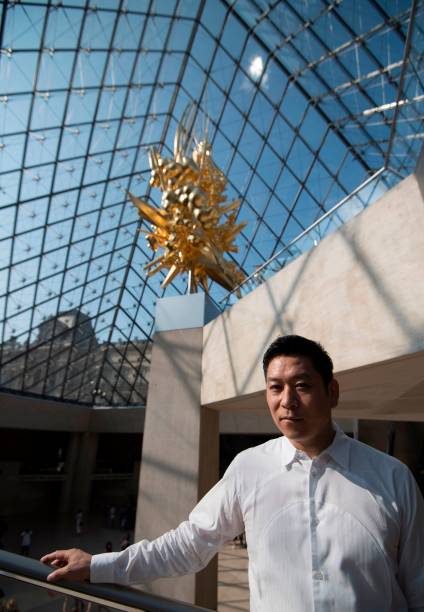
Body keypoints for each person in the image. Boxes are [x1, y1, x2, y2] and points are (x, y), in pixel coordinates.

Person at [41, 335, 424, 611]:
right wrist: (98, 565)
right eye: (276, 387)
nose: (287, 401)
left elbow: (418, 584)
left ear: (333, 391)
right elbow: (190, 544)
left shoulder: (393, 478)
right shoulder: (249, 467)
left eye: (303, 386)